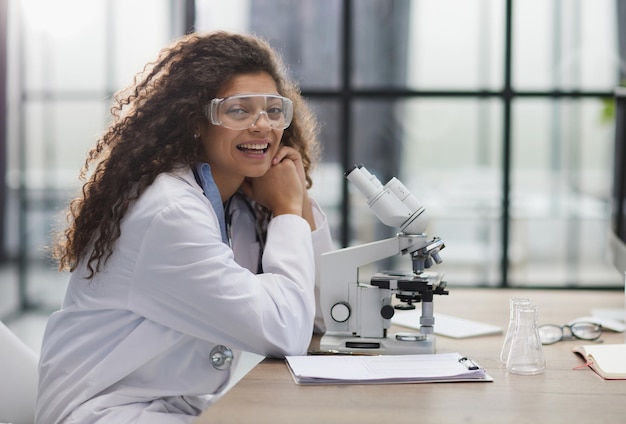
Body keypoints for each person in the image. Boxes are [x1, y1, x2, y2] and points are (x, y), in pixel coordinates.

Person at [35, 31, 334, 424]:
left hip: (176, 410)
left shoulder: (240, 205)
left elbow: (325, 315)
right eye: (239, 111)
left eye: (273, 110)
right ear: (196, 121)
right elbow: (283, 331)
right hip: (108, 414)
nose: (263, 126)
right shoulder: (168, 212)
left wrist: (298, 206)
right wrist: (287, 211)